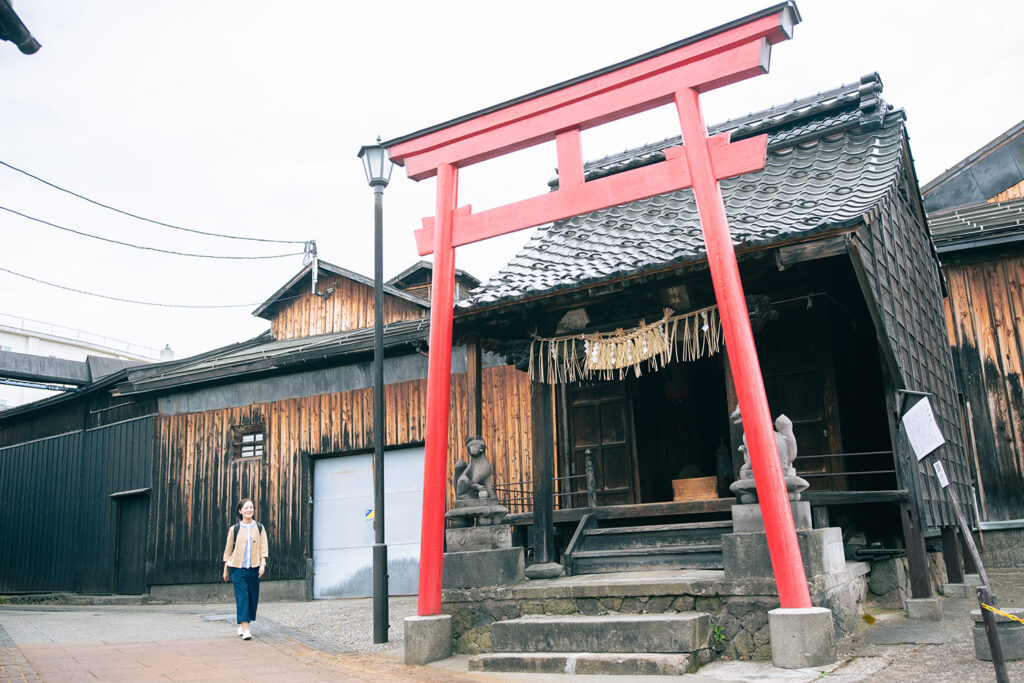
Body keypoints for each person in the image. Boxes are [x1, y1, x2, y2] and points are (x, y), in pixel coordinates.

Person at [222, 498, 268, 640]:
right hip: (238, 569)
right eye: (246, 508)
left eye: (251, 507)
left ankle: (243, 624)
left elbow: (263, 548)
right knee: (242, 598)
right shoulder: (234, 529)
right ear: (240, 511)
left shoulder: (259, 527)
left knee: (252, 598)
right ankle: (245, 629)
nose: (249, 510)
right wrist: (226, 569)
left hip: (254, 568)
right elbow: (228, 551)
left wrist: (263, 564)